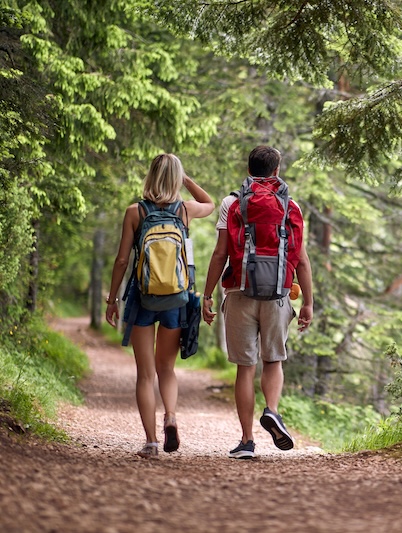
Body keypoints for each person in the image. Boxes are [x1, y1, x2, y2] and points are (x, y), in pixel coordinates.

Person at [202, 145, 313, 458]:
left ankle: (247, 441)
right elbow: (301, 259)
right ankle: (273, 411)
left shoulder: (231, 203)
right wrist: (308, 302)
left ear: (248, 169)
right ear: (276, 171)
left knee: (244, 367)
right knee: (273, 359)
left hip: (238, 293)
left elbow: (220, 252)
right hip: (278, 293)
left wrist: (207, 294)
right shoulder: (291, 205)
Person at [105, 153, 215, 459]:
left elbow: (122, 260)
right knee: (166, 368)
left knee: (145, 374)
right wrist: (186, 180)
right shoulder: (185, 210)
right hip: (176, 299)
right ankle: (170, 416)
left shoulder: (135, 212)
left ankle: (151, 443)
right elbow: (210, 203)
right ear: (176, 178)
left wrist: (112, 299)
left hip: (143, 298)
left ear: (150, 176)